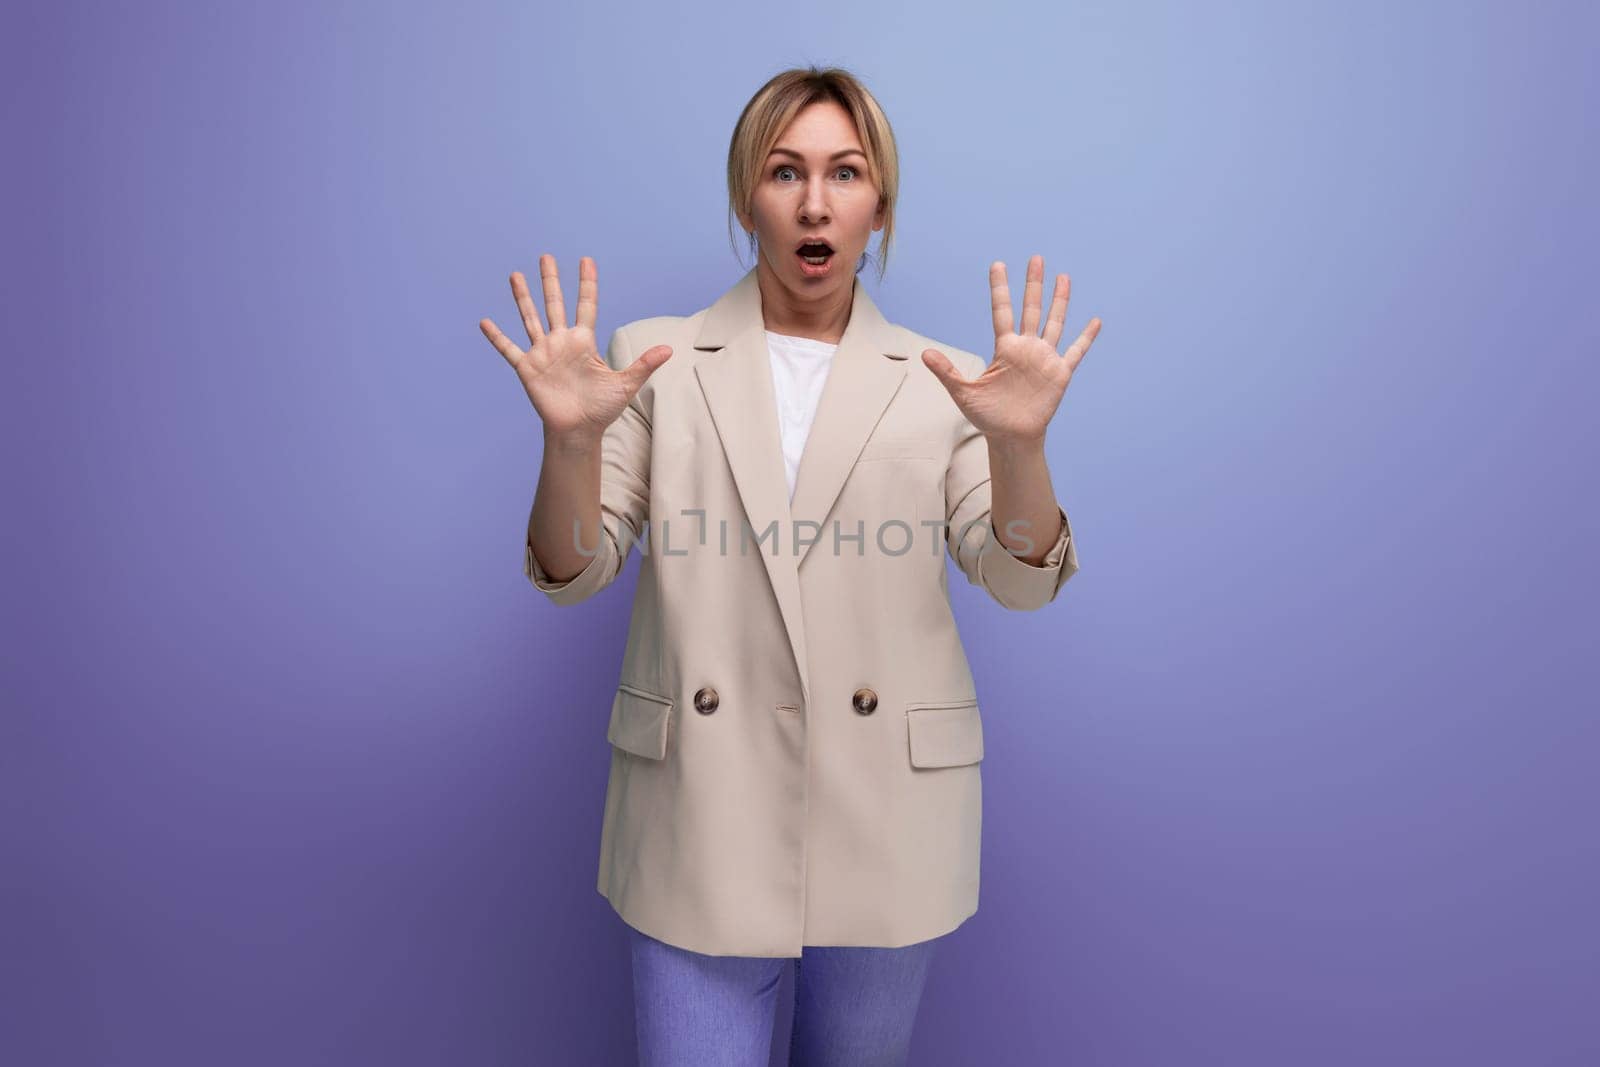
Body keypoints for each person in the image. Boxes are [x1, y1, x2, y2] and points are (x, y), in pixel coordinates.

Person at [479, 66, 1101, 1066]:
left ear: (879, 204)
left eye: (845, 172)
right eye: (784, 171)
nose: (815, 202)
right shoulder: (654, 359)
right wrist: (568, 442)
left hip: (887, 812)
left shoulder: (947, 383)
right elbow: (573, 567)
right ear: (746, 198)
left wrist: (1021, 445)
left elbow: (1020, 576)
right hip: (702, 810)